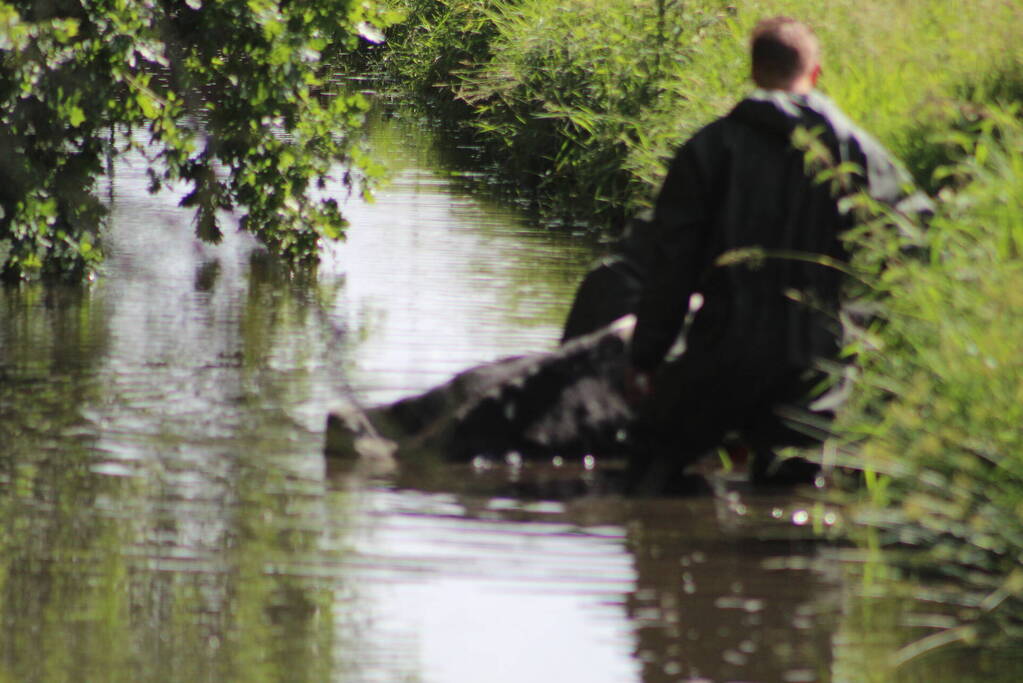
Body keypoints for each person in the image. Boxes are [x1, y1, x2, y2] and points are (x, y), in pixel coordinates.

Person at [623, 16, 932, 491]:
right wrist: (864, 332)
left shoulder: (708, 149)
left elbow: (671, 269)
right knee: (794, 503)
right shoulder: (861, 152)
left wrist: (645, 359)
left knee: (649, 469)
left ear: (754, 71)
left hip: (719, 356)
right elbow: (914, 245)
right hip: (816, 364)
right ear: (815, 73)